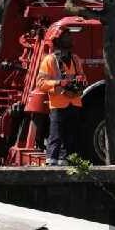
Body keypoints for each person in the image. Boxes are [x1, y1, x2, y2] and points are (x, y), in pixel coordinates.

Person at [37, 31, 87, 165]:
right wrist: (59, 83)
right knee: (56, 136)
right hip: (58, 104)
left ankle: (65, 163)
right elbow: (40, 83)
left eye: (70, 36)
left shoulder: (75, 59)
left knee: (71, 137)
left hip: (74, 102)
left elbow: (82, 76)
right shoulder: (49, 60)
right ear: (58, 41)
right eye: (66, 37)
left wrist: (81, 80)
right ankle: (51, 163)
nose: (70, 39)